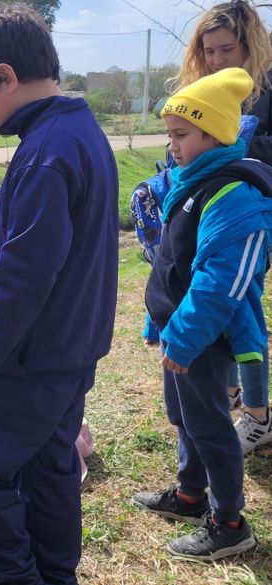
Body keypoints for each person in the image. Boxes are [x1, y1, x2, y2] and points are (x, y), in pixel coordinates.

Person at [0, 5, 118, 584]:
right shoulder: (80, 132)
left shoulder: (44, 153)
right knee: (50, 465)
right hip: (73, 349)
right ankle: (55, 574)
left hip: (29, 358)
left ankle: (16, 577)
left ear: (7, 77)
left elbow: (25, 274)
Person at [132, 67, 272, 561]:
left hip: (206, 339)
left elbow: (219, 284)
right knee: (184, 417)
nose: (172, 146)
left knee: (211, 425)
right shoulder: (191, 181)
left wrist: (186, 336)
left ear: (214, 134)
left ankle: (229, 523)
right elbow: (172, 263)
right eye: (170, 135)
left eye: (181, 135)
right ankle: (191, 495)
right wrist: (162, 322)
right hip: (181, 333)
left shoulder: (236, 196)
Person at [173, 0, 272, 452]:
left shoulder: (265, 93)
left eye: (226, 49)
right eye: (207, 50)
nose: (215, 60)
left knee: (243, 310)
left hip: (247, 214)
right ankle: (228, 392)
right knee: (216, 302)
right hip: (207, 212)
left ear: (250, 46)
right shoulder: (201, 92)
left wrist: (247, 146)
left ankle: (257, 414)